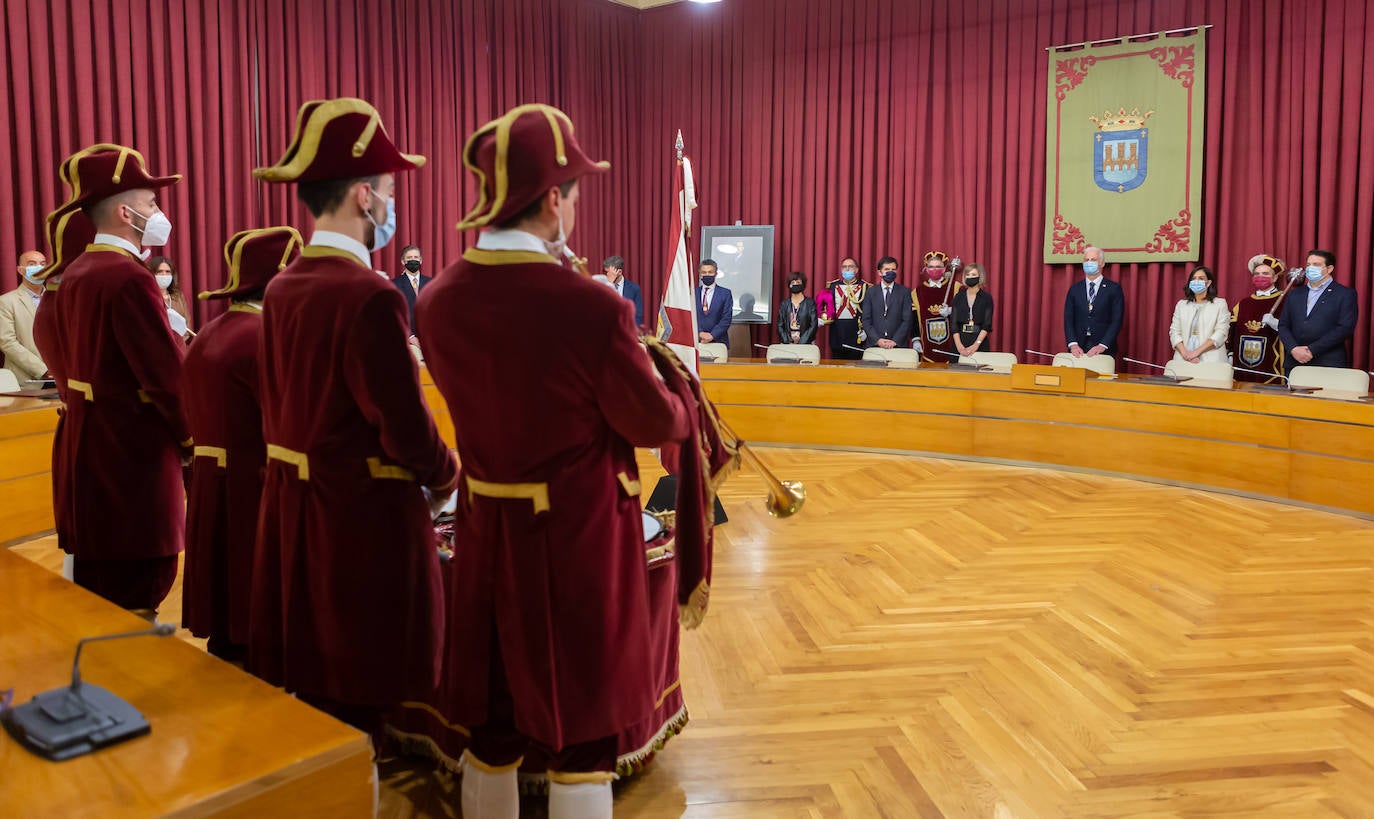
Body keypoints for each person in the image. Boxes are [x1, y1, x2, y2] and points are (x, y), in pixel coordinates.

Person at [415, 103, 692, 819]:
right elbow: (652, 419)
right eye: (573, 191)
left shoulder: (438, 301)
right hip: (577, 541)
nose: (576, 204)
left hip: (483, 532)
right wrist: (676, 393)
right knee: (581, 743)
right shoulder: (591, 308)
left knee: (492, 729)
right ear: (549, 201)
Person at [249, 98, 458, 744]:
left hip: (294, 514)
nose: (394, 206)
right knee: (360, 689)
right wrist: (446, 474)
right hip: (360, 523)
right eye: (390, 191)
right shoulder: (367, 294)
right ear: (364, 197)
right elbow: (401, 420)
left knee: (318, 692)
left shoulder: (283, 285)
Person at [30, 144, 191, 618]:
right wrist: (191, 435)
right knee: (142, 580)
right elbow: (165, 375)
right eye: (150, 204)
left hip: (92, 444)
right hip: (133, 452)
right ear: (125, 212)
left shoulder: (77, 272)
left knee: (102, 589)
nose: (158, 213)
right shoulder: (129, 277)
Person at [181, 226, 301, 662]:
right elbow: (288, 422)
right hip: (253, 479)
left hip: (213, 474)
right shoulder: (262, 337)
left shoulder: (211, 332)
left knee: (225, 595)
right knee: (253, 596)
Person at [1277, 249, 1359, 374]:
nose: (1310, 268)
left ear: (1329, 269)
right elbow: (1283, 325)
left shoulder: (1345, 294)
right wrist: (1293, 349)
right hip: (1295, 362)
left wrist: (1311, 350)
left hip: (1328, 362)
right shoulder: (1295, 294)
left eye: (1316, 265)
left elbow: (1345, 328)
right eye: (1308, 265)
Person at [1229, 254, 1287, 383]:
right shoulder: (1243, 303)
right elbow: (1232, 331)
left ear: (1275, 277)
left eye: (1265, 273)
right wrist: (1230, 353)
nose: (1260, 277)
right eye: (1256, 274)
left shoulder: (1286, 301)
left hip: (1272, 365)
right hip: (1243, 365)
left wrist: (1277, 324)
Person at [1064, 245, 1125, 360]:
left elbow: (1117, 320)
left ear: (1102, 263)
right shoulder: (1074, 289)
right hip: (1078, 349)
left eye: (1093, 260)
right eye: (1086, 260)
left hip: (1103, 350)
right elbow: (1068, 319)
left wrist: (1103, 345)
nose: (1089, 263)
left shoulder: (1114, 289)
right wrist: (1073, 344)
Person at [1, 250, 48, 383]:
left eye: (43, 264)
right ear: (20, 270)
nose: (39, 268)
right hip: (24, 381)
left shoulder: (58, 299)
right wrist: (43, 370)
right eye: (32, 264)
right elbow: (7, 342)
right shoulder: (6, 302)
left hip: (62, 378)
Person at [1168, 265, 1230, 363]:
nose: (1196, 281)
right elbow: (1174, 332)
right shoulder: (1181, 305)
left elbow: (1221, 333)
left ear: (1208, 283)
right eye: (1193, 279)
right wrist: (1185, 354)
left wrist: (1196, 352)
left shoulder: (1220, 304)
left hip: (1212, 361)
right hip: (1183, 359)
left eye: (1201, 278)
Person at [912, 250, 957, 362]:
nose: (934, 269)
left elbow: (966, 311)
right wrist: (915, 339)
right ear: (926, 269)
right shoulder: (917, 292)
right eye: (931, 267)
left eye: (938, 266)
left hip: (952, 346)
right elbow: (913, 319)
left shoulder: (956, 288)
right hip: (927, 347)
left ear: (945, 268)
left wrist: (952, 311)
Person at [819, 256, 868, 359]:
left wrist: (866, 330)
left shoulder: (865, 287)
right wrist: (822, 317)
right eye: (844, 267)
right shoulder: (832, 286)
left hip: (856, 335)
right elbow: (827, 308)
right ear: (841, 269)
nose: (847, 269)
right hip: (837, 334)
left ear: (856, 269)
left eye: (850, 266)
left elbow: (868, 312)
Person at [861, 256, 912, 349]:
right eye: (887, 269)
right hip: (875, 345)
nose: (890, 272)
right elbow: (866, 319)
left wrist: (895, 340)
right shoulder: (870, 292)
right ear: (879, 272)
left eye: (893, 269)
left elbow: (907, 320)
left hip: (898, 345)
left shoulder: (905, 292)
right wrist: (877, 340)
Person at [951, 262, 994, 357]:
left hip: (979, 342)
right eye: (968, 275)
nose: (970, 277)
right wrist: (959, 346)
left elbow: (987, 325)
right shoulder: (958, 297)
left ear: (980, 277)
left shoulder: (986, 298)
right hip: (959, 341)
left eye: (973, 275)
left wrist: (976, 345)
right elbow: (954, 325)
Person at [149, 255, 193, 340]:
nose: (164, 275)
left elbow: (187, 326)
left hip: (180, 346)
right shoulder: (147, 297)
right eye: (159, 271)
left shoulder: (178, 297)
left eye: (168, 271)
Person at [394, 244, 429, 338]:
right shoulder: (394, 285)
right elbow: (394, 315)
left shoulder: (432, 283)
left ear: (421, 260)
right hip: (406, 337)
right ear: (403, 261)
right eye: (409, 257)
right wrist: (411, 337)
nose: (413, 260)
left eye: (416, 257)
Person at [696, 258, 731, 344]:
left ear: (716, 274)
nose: (707, 274)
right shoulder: (693, 293)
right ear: (700, 274)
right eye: (704, 272)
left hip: (719, 341)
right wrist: (700, 333)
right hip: (696, 341)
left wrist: (712, 335)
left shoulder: (725, 293)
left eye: (710, 272)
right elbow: (689, 316)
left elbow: (726, 318)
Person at [775, 271, 816, 344]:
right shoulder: (784, 304)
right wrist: (787, 340)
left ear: (803, 285)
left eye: (798, 282)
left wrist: (802, 341)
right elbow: (780, 325)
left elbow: (813, 325)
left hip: (806, 344)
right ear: (789, 285)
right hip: (787, 344)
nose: (795, 284)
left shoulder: (810, 303)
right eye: (792, 283)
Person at [602, 254, 642, 325]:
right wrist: (610, 284)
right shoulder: (602, 287)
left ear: (619, 272)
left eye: (609, 272)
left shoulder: (634, 288)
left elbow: (638, 317)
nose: (606, 275)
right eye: (605, 272)